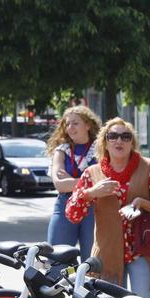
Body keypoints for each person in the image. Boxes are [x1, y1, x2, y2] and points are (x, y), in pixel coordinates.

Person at [66, 118, 150, 298]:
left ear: (132, 143)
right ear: (105, 143)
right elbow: (73, 214)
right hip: (107, 254)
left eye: (125, 136)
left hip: (141, 250)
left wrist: (143, 203)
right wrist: (91, 193)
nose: (119, 141)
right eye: (113, 136)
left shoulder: (148, 167)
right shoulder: (92, 173)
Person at [46, 105, 101, 259]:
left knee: (92, 261)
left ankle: (86, 283)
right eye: (67, 124)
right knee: (56, 258)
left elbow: (103, 181)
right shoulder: (61, 151)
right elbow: (59, 184)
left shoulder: (100, 150)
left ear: (88, 125)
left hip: (94, 206)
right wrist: (89, 181)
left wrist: (71, 180)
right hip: (65, 203)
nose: (70, 127)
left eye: (75, 123)